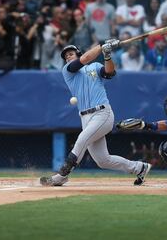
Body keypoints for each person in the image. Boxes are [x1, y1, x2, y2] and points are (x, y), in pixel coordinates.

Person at [40, 40, 151, 186]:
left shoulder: (95, 67)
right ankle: (139, 168)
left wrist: (107, 55)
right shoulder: (67, 70)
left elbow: (110, 72)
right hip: (85, 118)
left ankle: (62, 176)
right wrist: (102, 45)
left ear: (78, 53)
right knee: (103, 160)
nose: (68, 57)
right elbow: (85, 58)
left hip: (102, 114)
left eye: (71, 54)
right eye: (66, 56)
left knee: (82, 140)